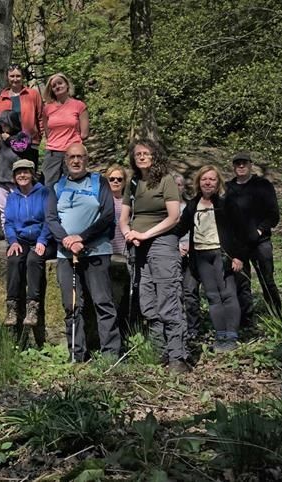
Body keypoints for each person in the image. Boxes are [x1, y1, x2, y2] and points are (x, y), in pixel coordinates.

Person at [46, 144, 120, 362]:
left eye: (80, 157)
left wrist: (82, 237)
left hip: (97, 252)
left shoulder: (100, 182)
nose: (76, 161)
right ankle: (76, 355)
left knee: (103, 302)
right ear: (65, 160)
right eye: (71, 157)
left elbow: (107, 216)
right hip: (66, 255)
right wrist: (68, 241)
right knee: (71, 305)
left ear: (87, 159)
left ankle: (110, 354)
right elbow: (51, 218)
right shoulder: (56, 186)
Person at [119, 140, 188, 373]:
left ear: (155, 156)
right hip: (138, 246)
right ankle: (159, 353)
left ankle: (178, 357)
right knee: (147, 302)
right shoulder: (134, 182)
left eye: (146, 153)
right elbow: (123, 218)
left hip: (162, 244)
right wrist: (129, 234)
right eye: (137, 154)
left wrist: (146, 234)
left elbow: (174, 217)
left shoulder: (166, 181)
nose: (141, 157)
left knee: (168, 299)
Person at [175, 165, 243, 351]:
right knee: (213, 297)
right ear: (198, 182)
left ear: (218, 182)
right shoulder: (192, 206)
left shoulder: (226, 203)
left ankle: (231, 337)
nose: (208, 182)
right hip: (201, 256)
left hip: (222, 254)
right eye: (204, 179)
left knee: (228, 294)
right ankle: (220, 337)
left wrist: (238, 256)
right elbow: (180, 229)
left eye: (212, 179)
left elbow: (239, 231)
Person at [225, 151, 282, 323]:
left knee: (267, 280)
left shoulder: (263, 185)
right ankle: (246, 320)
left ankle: (278, 317)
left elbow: (273, 215)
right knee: (241, 283)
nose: (241, 166)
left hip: (260, 242)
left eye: (244, 163)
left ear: (250, 165)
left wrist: (259, 230)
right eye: (237, 163)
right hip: (237, 245)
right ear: (233, 166)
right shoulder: (228, 188)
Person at [3, 159, 54, 346]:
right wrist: (13, 241)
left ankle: (33, 306)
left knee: (34, 259)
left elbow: (50, 219)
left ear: (33, 173)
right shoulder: (12, 196)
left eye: (25, 172)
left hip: (43, 237)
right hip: (22, 239)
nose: (22, 176)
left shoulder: (44, 192)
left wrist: (42, 240)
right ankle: (13, 306)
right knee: (15, 259)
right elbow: (8, 223)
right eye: (18, 173)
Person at [41, 73, 89, 186]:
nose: (57, 86)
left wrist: (73, 143)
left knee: (75, 184)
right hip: (52, 153)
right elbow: (48, 132)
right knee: (49, 186)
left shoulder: (79, 105)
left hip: (73, 152)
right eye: (54, 85)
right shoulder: (47, 108)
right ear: (51, 90)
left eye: (60, 83)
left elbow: (84, 133)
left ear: (67, 85)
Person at [0, 110, 37, 228]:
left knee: (19, 206)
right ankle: (8, 234)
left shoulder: (23, 136)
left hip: (16, 179)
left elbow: (21, 148)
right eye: (1, 125)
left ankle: (22, 232)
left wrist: (8, 139)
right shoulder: (3, 138)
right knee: (3, 209)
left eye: (5, 124)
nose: (3, 127)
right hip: (1, 177)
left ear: (13, 123)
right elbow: (1, 157)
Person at [0, 64, 44, 163]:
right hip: (9, 143)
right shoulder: (1, 98)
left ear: (23, 77)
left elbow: (41, 117)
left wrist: (41, 138)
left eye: (18, 76)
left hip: (30, 143)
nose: (15, 79)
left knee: (28, 175)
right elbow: (0, 122)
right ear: (7, 78)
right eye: (12, 76)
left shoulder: (33, 94)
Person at [175, 174, 201, 340]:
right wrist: (176, 246)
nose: (177, 187)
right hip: (172, 254)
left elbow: (198, 229)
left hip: (192, 254)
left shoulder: (191, 206)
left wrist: (190, 247)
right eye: (174, 184)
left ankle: (193, 328)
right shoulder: (162, 208)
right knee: (174, 294)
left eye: (180, 184)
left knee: (190, 292)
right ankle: (178, 328)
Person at [104, 164, 128, 256]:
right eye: (112, 179)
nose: (115, 181)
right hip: (106, 250)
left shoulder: (129, 202)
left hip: (125, 251)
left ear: (124, 182)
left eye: (119, 179)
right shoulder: (101, 201)